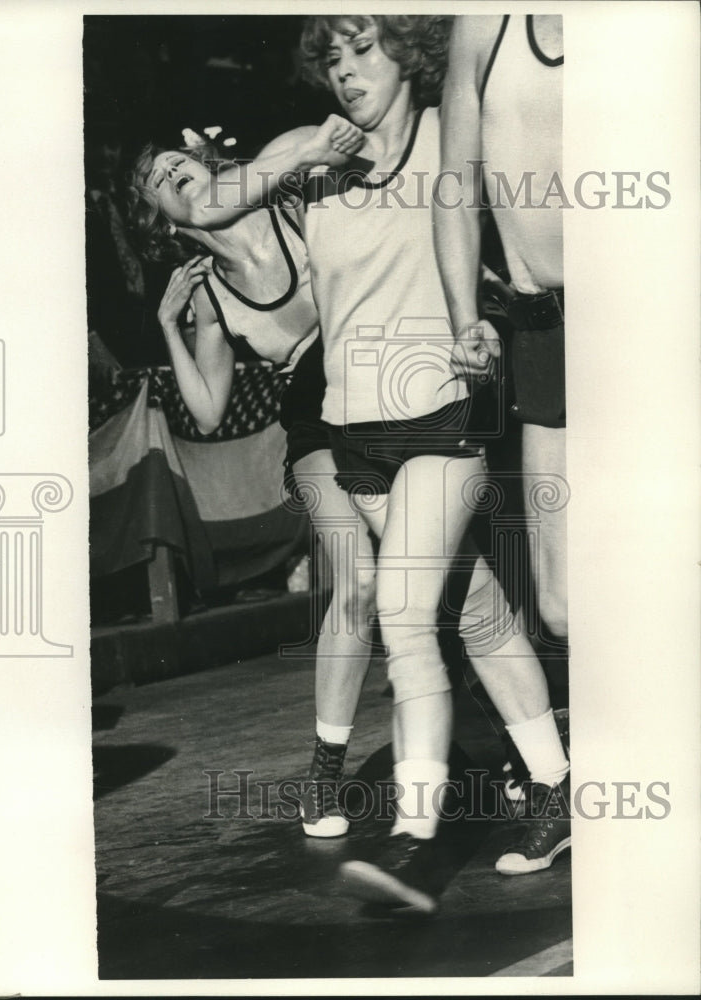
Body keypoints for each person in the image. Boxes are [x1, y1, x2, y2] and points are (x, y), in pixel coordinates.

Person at [258, 13, 569, 913]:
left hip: (441, 415)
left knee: (401, 612)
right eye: (331, 57)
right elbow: (202, 209)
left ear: (408, 53)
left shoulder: (448, 137)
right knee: (476, 611)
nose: (346, 71)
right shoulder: (315, 163)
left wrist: (502, 309)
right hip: (353, 434)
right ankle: (557, 787)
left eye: (364, 50)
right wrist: (296, 157)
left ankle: (412, 840)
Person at [126, 117, 379, 839]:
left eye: (176, 160)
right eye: (154, 180)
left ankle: (513, 744)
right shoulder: (209, 296)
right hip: (311, 414)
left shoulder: (288, 198)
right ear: (160, 218)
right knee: (357, 580)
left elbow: (336, 149)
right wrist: (169, 327)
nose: (169, 172)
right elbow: (207, 413)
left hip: (375, 381)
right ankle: (324, 775)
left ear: (209, 164)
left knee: (434, 562)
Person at [435, 13, 567, 643]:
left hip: (648, 321)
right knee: (563, 603)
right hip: (547, 329)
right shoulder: (485, 25)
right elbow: (455, 190)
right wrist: (465, 319)